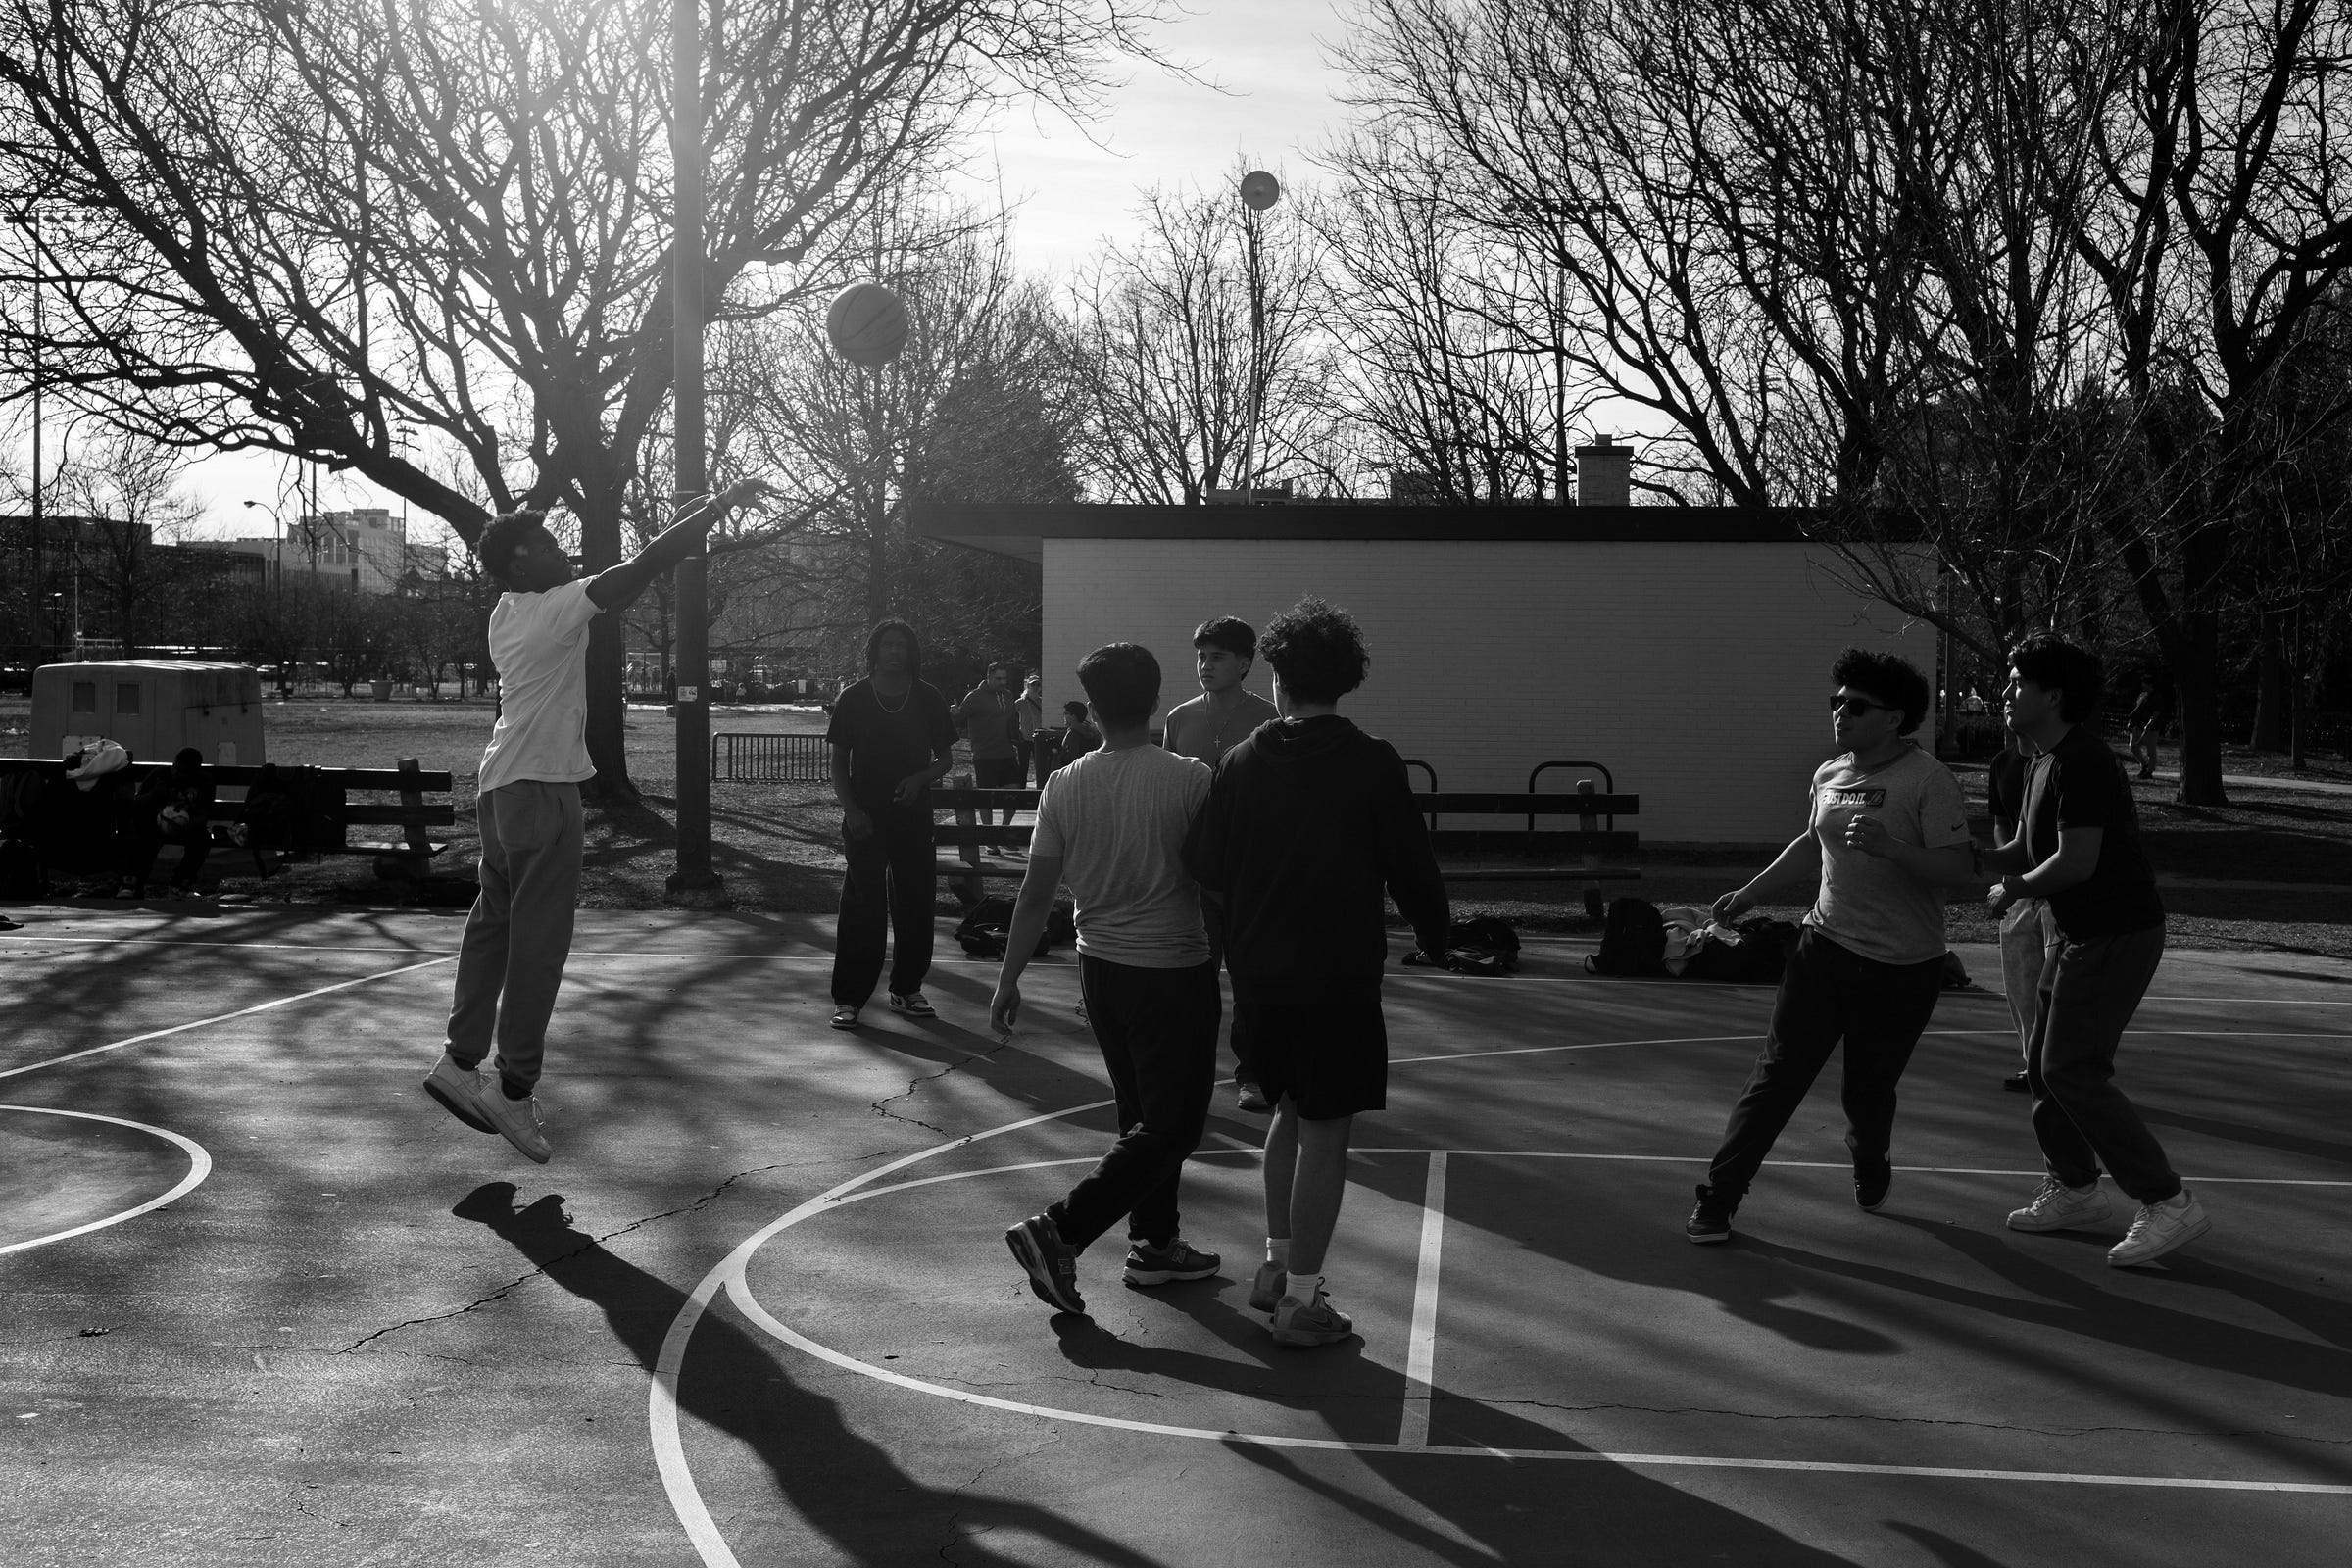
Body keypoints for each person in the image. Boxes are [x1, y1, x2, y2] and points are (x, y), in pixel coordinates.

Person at [422, 477, 774, 1161]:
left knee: (494, 923)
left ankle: (460, 1060)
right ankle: (513, 1087)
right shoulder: (553, 610)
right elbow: (636, 571)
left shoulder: (506, 612)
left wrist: (687, 523)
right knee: (539, 943)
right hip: (542, 790)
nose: (561, 549)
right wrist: (717, 506)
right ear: (521, 560)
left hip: (499, 788)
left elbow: (628, 571)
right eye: (547, 542)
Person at [1182, 597, 1449, 1348]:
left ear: (1277, 678)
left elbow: (1202, 862)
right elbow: (1412, 868)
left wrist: (1245, 916)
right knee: (1327, 1131)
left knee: (1286, 1113)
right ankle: (1301, 1300)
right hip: (1335, 973)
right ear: (1346, 680)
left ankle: (1274, 1267)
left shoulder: (1241, 760)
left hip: (1261, 971)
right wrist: (1437, 936)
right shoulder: (1372, 761)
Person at [1686, 648, 1976, 1245]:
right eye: (1836, 702)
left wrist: (1893, 848)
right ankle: (1718, 1200)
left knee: (1866, 1095)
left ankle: (1870, 1158)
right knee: (1776, 1078)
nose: (1840, 712)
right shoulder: (1830, 773)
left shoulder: (1928, 781)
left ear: (1894, 718)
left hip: (1902, 968)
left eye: (1856, 705)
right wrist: (1749, 893)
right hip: (1823, 949)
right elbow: (1808, 843)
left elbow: (1959, 872)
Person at [997, 644, 1221, 1317]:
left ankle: (1155, 1244)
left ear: (1091, 710)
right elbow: (1216, 882)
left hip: (1102, 969)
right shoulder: (1192, 780)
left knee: (1141, 1120)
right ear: (1155, 704)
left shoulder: (1064, 784)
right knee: (1173, 1125)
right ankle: (1060, 1229)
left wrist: (1008, 978)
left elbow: (1036, 895)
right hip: (1173, 968)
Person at [1984, 635, 2205, 1267]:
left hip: (2117, 931)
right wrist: (1939, 855)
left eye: (2016, 682)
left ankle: (2168, 1201)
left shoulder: (2083, 760)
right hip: (2078, 932)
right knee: (2042, 1064)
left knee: (2073, 1070)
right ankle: (2076, 1188)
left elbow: (2074, 863)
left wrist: (2014, 889)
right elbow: (2023, 850)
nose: (2004, 692)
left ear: (2052, 696)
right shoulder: (2039, 762)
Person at [1161, 615, 1283, 1115]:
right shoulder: (1180, 717)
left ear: (1244, 664)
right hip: (1193, 871)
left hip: (1252, 872)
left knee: (1252, 979)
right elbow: (1168, 791)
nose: (1205, 665)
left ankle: (1252, 1072)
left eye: (1217, 656)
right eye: (1201, 656)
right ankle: (1186, 1072)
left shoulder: (1270, 718)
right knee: (1193, 977)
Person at [826, 619, 958, 1030]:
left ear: (911, 652)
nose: (895, 652)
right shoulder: (853, 698)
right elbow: (837, 764)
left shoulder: (928, 697)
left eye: (902, 646)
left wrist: (920, 780)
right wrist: (851, 811)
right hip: (865, 817)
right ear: (875, 651)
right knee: (863, 906)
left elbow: (946, 759)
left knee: (915, 903)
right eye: (888, 645)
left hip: (912, 818)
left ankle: (907, 988)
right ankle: (849, 998)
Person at [1986, 729, 2048, 1093]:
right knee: (2023, 985)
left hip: (2058, 889)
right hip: (2018, 888)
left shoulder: (2061, 763)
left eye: (2019, 684)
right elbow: (2005, 828)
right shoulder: (2003, 764)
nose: (2009, 698)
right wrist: (2010, 873)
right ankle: (2034, 1064)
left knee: (2056, 990)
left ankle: (2059, 1067)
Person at [116, 747, 213, 898]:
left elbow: (204, 813)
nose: (176, 773)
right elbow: (136, 804)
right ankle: (131, 882)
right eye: (175, 767)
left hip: (187, 826)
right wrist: (153, 795)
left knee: (202, 840)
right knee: (143, 834)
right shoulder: (160, 775)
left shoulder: (204, 781)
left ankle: (180, 884)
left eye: (182, 771)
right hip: (155, 823)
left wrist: (188, 826)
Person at [956, 662, 1024, 826]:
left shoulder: (1008, 695)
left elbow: (1011, 721)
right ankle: (989, 837)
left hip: (1007, 753)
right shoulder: (975, 696)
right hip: (984, 754)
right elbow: (959, 719)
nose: (1002, 682)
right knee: (986, 798)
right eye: (998, 678)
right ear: (988, 677)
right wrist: (955, 713)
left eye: (1004, 678)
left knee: (1013, 794)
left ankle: (1004, 831)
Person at [2124, 674, 2164, 779]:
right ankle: (2144, 765)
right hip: (2138, 725)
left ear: (2150, 684)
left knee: (2151, 751)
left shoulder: (2156, 697)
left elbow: (2156, 713)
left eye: (2144, 683)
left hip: (2152, 727)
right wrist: (2131, 721)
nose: (2142, 685)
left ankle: (2149, 771)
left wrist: (2149, 725)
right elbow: (2137, 709)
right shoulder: (2142, 695)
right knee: (2133, 746)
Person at [1052, 701, 1101, 776]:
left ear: (1074, 716)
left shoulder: (1073, 734)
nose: (1064, 716)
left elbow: (1072, 758)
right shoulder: (1089, 730)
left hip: (1072, 774)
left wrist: (1058, 754)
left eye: (1066, 713)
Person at [1014, 671, 1046, 788]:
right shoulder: (1020, 702)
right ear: (1028, 686)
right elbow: (1010, 717)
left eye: (1038, 685)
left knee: (1040, 766)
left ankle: (1040, 789)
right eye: (1033, 685)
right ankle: (1021, 790)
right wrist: (1016, 732)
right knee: (1023, 766)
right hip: (1024, 738)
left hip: (1038, 738)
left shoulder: (1043, 702)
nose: (1035, 687)